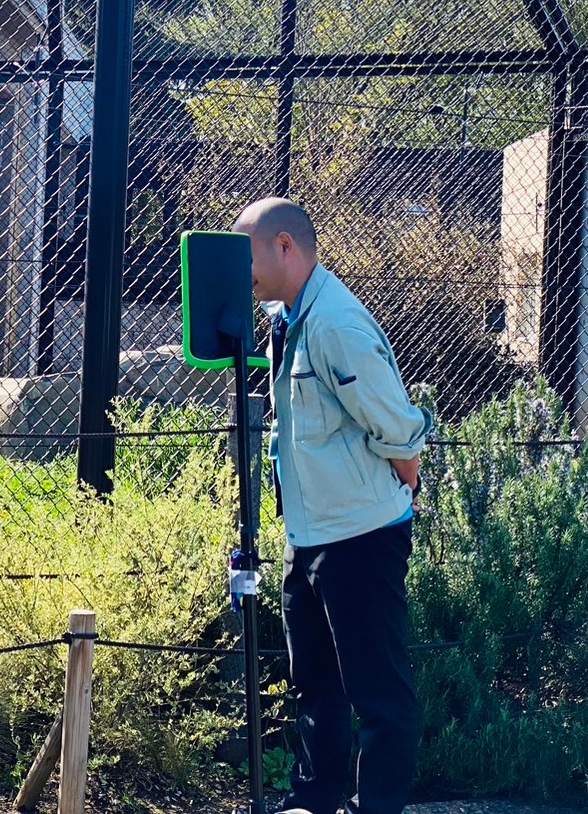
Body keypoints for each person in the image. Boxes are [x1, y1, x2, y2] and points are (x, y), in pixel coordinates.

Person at [230, 197, 429, 814]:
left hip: (361, 537)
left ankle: (378, 808)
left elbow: (399, 431)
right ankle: (315, 801)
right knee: (314, 684)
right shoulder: (286, 316)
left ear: (285, 246)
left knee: (378, 695)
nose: (242, 269)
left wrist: (402, 487)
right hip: (310, 536)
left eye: (248, 254)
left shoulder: (336, 324)